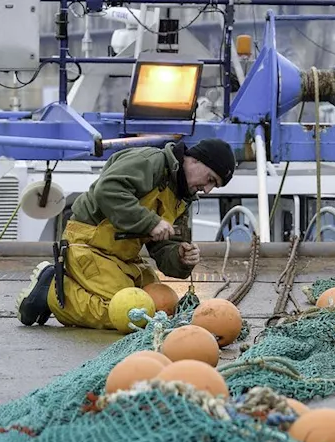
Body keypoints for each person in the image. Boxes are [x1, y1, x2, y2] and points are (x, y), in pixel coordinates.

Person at [16, 138, 236, 329]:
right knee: (127, 313)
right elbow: (108, 190)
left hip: (124, 257)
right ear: (196, 160)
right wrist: (150, 222)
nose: (207, 190)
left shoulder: (182, 199)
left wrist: (180, 256)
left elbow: (163, 250)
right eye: (210, 179)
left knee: (161, 308)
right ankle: (51, 293)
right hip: (89, 243)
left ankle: (73, 280)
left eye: (214, 186)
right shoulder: (152, 162)